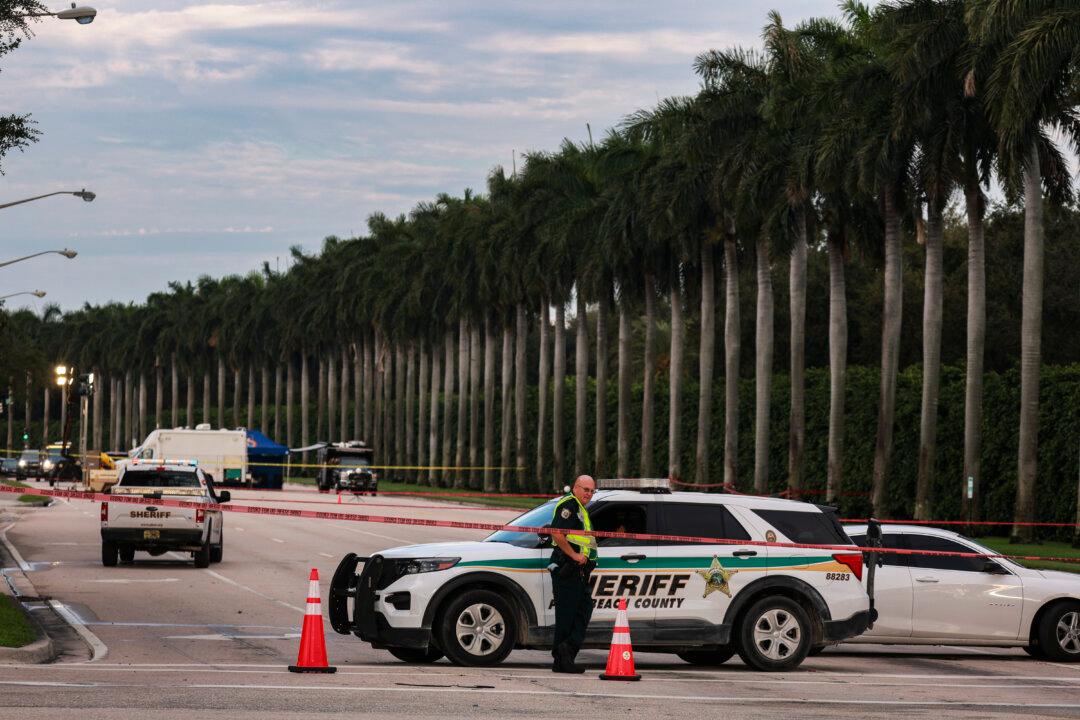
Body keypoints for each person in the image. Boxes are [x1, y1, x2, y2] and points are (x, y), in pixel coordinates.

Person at [548, 474, 598, 674]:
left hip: (577, 570)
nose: (589, 494)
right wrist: (574, 555)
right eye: (586, 489)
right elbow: (556, 532)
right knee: (567, 614)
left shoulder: (580, 508)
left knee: (582, 609)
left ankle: (565, 655)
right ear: (576, 488)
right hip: (567, 565)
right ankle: (562, 659)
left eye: (592, 491)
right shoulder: (570, 505)